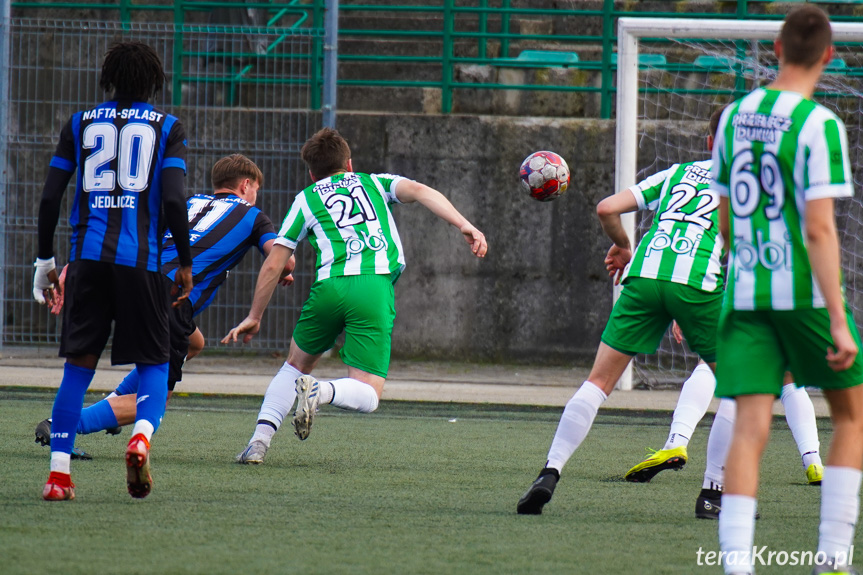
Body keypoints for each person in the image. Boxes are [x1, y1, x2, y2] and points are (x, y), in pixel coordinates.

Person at [224, 127, 487, 464]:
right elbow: (420, 190)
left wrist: (255, 315)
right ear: (349, 163)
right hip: (372, 287)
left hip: (329, 288)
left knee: (293, 366)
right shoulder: (374, 183)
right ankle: (322, 391)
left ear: (311, 172)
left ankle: (258, 443)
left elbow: (275, 262)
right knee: (368, 392)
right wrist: (464, 224)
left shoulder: (306, 198)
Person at [711, 7, 863, 575]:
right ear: (829, 55)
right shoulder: (820, 124)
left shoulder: (731, 117)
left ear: (775, 48)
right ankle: (832, 558)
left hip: (744, 293)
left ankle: (736, 566)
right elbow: (820, 227)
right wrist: (840, 321)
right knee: (851, 418)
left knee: (749, 430)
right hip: (803, 295)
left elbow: (725, 219)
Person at [516, 108, 726, 515]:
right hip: (699, 282)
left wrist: (624, 247)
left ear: (708, 142)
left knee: (598, 382)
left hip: (644, 274)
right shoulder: (752, 184)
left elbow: (606, 208)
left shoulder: (678, 173)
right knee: (740, 390)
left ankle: (549, 471)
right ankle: (713, 495)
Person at [33, 154, 294, 455]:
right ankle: (64, 424)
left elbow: (136, 231)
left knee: (194, 343)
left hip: (134, 279)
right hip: (169, 297)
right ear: (246, 185)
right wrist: (285, 269)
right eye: (255, 189)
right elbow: (283, 257)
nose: (255, 195)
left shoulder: (190, 203)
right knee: (156, 398)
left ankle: (112, 403)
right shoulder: (253, 214)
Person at [34, 42, 193, 501]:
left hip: (86, 262)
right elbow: (173, 200)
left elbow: (49, 199)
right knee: (155, 362)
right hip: (140, 264)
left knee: (77, 369)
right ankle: (141, 435)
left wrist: (46, 263)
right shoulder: (167, 127)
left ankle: (58, 476)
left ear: (108, 79)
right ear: (155, 83)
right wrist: (184, 263)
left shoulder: (79, 123)